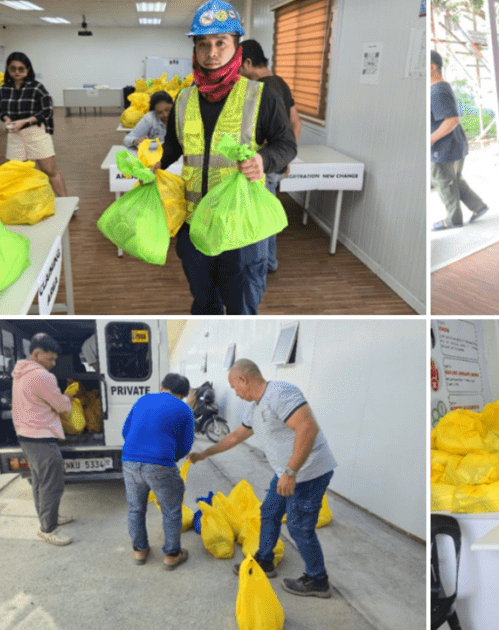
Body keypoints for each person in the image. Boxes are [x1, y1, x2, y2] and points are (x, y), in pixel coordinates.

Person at [161, 0, 297, 315]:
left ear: (236, 47)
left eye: (220, 42)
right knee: (204, 305)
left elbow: (286, 144)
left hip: (241, 227)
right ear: (195, 49)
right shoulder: (183, 99)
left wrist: (263, 160)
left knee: (240, 310)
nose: (212, 52)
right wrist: (156, 159)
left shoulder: (261, 96)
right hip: (195, 223)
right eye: (203, 44)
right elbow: (173, 145)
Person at [188, 359, 337, 598]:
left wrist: (291, 472)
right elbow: (235, 436)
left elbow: (307, 428)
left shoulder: (280, 393)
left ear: (243, 379)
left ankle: (318, 579)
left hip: (308, 472)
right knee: (269, 512)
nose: (235, 393)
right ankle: (265, 560)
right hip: (285, 473)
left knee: (299, 527)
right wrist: (205, 453)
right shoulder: (255, 408)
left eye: (235, 386)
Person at [240, 38, 302, 274]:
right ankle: (269, 261)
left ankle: (262, 264)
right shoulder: (281, 83)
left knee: (259, 217)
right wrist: (285, 157)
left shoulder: (260, 90)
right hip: (274, 164)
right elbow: (296, 123)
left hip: (262, 166)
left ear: (248, 63)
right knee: (268, 213)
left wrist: (268, 158)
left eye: (237, 66)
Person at [121, 373, 195, 569]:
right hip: (160, 463)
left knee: (135, 509)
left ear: (162, 387)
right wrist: (168, 458)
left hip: (130, 460)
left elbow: (125, 431)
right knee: (171, 511)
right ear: (184, 394)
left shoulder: (143, 400)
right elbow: (185, 446)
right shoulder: (185, 409)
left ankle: (140, 551)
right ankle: (171, 556)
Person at [11, 333, 74, 546]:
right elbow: (62, 406)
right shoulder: (42, 376)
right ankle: (49, 529)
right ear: (37, 354)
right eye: (50, 359)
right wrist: (68, 398)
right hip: (41, 437)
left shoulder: (20, 372)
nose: (53, 364)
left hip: (26, 436)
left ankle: (49, 518)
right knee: (52, 485)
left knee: (39, 483)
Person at [0, 52, 68, 197]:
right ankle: (27, 204)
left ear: (28, 70)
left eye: (21, 68)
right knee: (19, 173)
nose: (17, 72)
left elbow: (47, 110)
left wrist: (26, 121)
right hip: (15, 134)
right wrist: (7, 119)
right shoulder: (3, 89)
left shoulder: (37, 88)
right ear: (8, 70)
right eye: (13, 68)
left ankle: (67, 202)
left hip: (36, 132)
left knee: (49, 170)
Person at [430, 49, 488, 231]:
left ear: (432, 67)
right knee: (454, 179)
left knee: (443, 182)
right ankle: (478, 206)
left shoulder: (437, 91)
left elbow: (452, 120)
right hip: (455, 144)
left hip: (443, 147)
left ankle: (453, 219)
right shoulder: (442, 87)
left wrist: (430, 139)